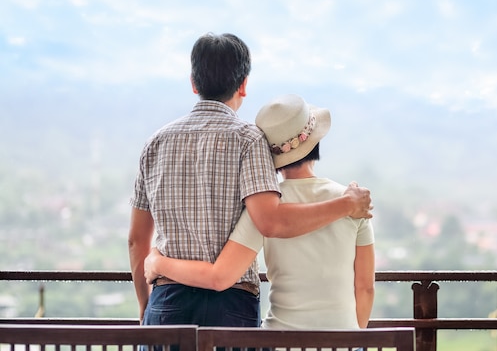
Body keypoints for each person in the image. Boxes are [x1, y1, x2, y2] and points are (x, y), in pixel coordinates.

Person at [128, 33, 373, 328]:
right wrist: (347, 204)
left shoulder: (155, 143)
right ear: (243, 84)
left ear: (193, 83)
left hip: (167, 300)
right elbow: (270, 220)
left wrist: (146, 304)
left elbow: (137, 239)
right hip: (231, 305)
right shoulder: (249, 140)